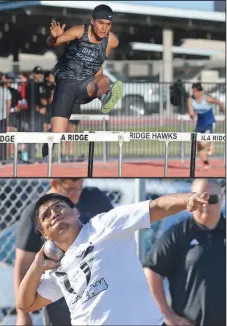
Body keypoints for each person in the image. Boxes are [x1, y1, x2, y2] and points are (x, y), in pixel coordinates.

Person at [16, 189, 210, 325]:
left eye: (59, 207)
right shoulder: (58, 269)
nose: (54, 214)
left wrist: (188, 199)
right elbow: (25, 304)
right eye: (46, 215)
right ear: (45, 234)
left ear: (75, 211)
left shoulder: (104, 225)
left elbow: (157, 207)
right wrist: (36, 267)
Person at [14, 178, 113, 326]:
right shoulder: (36, 214)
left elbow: (112, 232)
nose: (76, 195)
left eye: (79, 188)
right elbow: (23, 263)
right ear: (54, 184)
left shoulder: (94, 197)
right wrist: (22, 316)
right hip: (59, 296)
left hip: (98, 286)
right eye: (70, 190)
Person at [42, 4, 122, 159]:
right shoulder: (80, 31)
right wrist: (54, 36)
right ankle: (49, 143)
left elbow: (99, 63)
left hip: (85, 85)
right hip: (65, 85)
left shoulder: (112, 41)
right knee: (57, 134)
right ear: (92, 21)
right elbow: (52, 43)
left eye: (108, 25)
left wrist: (98, 75)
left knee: (103, 79)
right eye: (101, 23)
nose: (104, 28)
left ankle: (106, 98)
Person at [143, 179, 225, 326]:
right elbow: (151, 270)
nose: (205, 205)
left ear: (222, 198)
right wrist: (166, 314)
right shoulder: (179, 234)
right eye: (199, 199)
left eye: (212, 198)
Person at [187, 82, 225, 169]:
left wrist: (224, 109)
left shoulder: (207, 98)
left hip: (209, 123)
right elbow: (191, 112)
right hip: (199, 124)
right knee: (197, 143)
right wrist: (191, 115)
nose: (194, 94)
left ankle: (210, 144)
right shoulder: (190, 99)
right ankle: (206, 162)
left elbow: (219, 102)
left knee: (203, 142)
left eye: (196, 92)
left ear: (201, 91)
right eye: (193, 92)